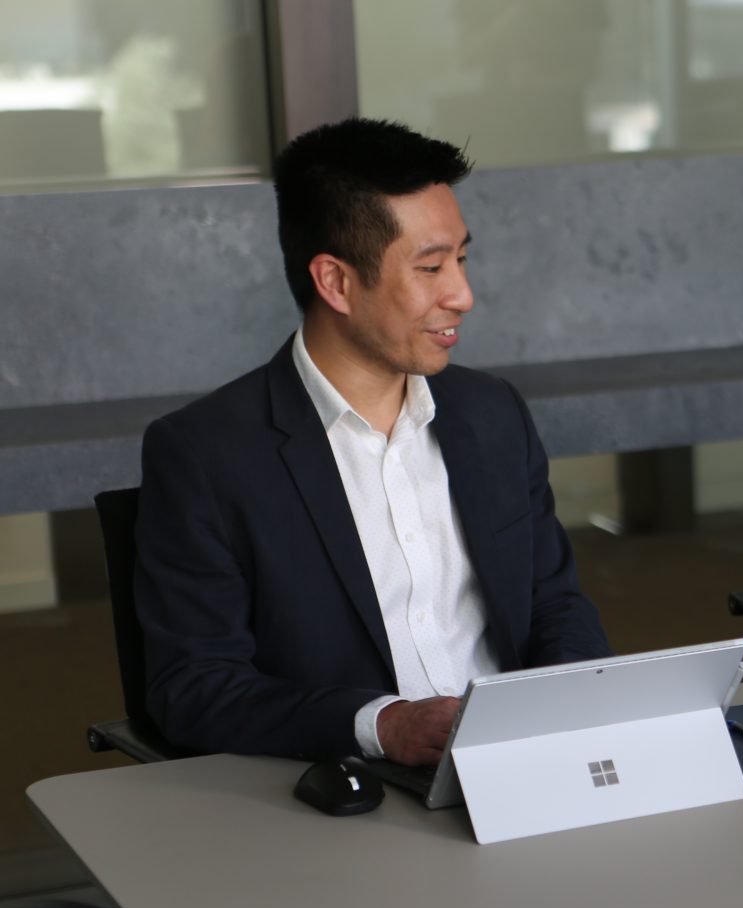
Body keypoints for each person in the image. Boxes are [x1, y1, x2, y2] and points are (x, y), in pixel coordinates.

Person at [134, 118, 610, 765]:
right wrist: (383, 725)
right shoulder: (205, 456)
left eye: (462, 259)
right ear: (335, 282)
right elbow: (194, 686)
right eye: (431, 266)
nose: (462, 294)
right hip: (353, 790)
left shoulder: (491, 414)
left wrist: (561, 708)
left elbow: (555, 603)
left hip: (526, 762)